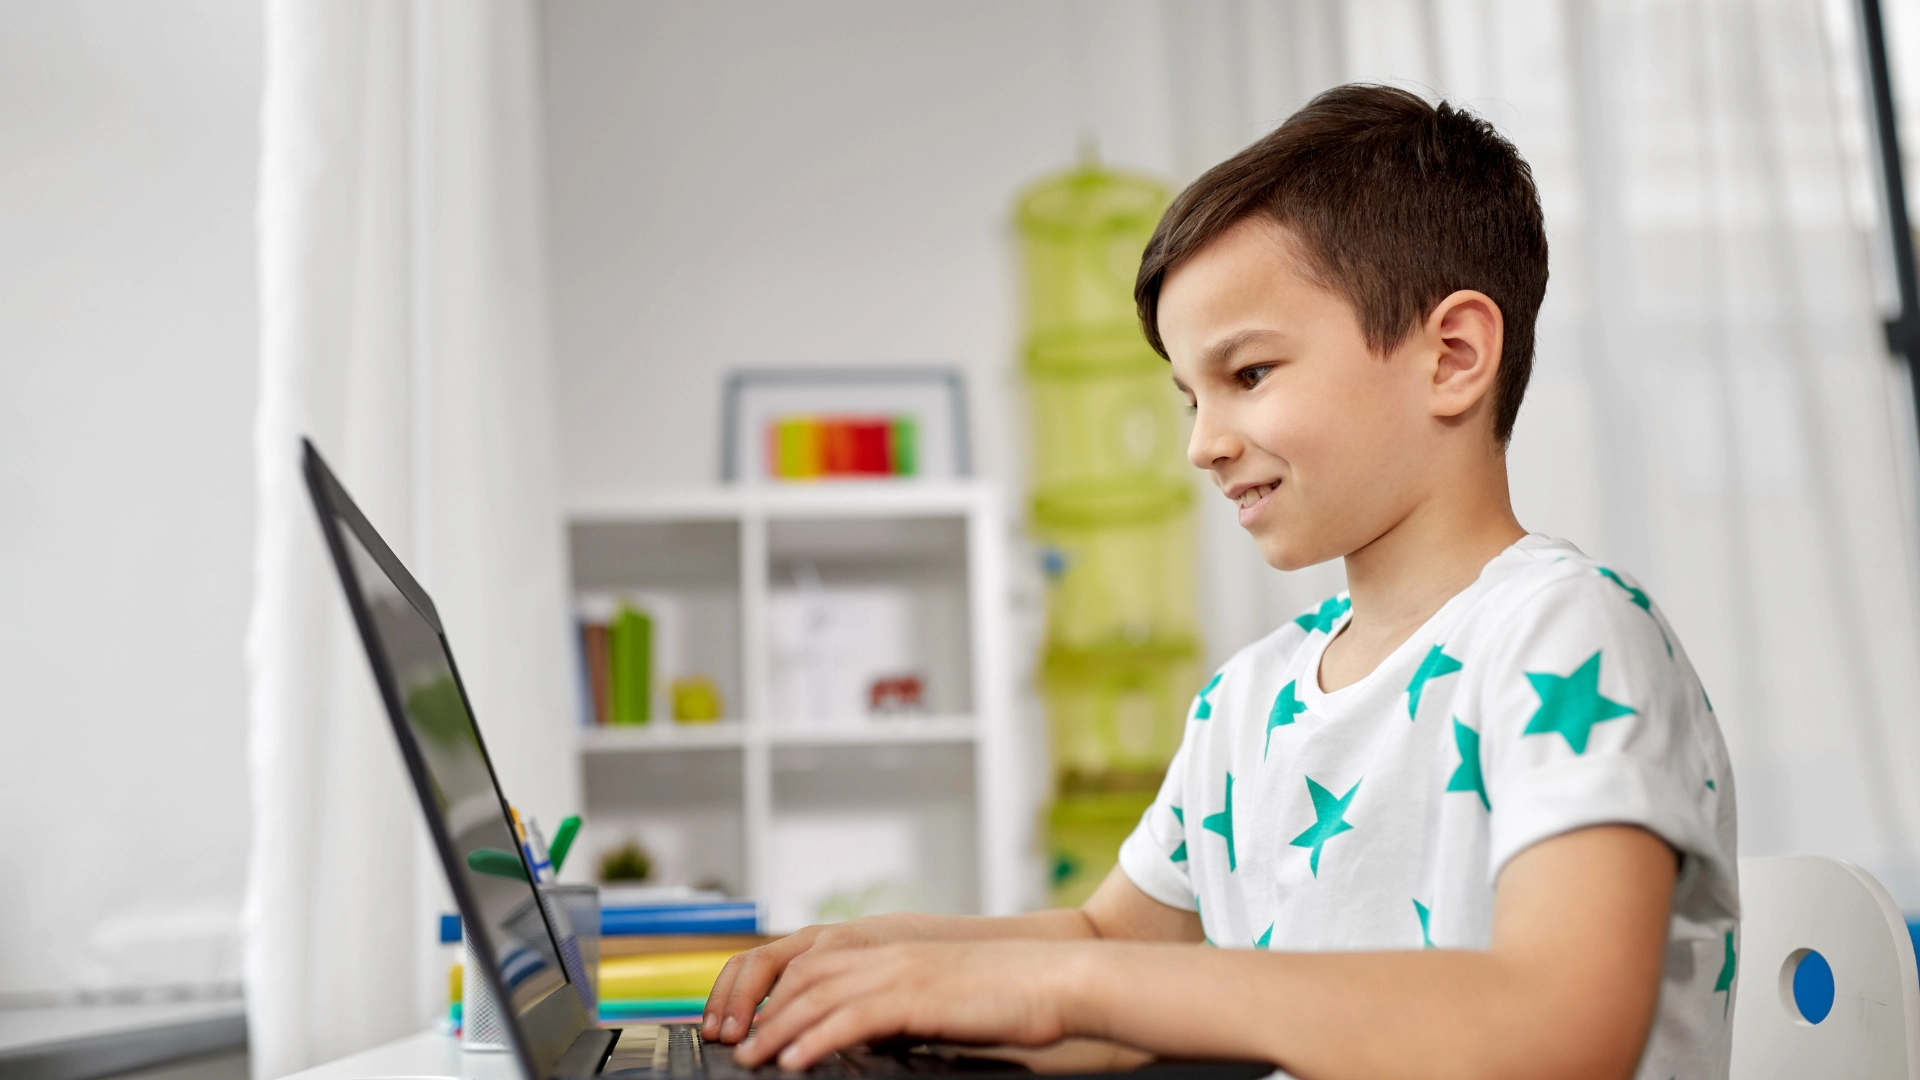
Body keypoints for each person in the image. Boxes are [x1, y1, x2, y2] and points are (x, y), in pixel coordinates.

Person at [705, 84, 1739, 1080]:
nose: (1202, 445)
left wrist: (1071, 985)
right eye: (1186, 398)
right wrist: (877, 955)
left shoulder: (1567, 634)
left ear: (1453, 356)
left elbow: (1559, 1029)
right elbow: (1109, 938)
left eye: (1247, 375)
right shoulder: (1251, 699)